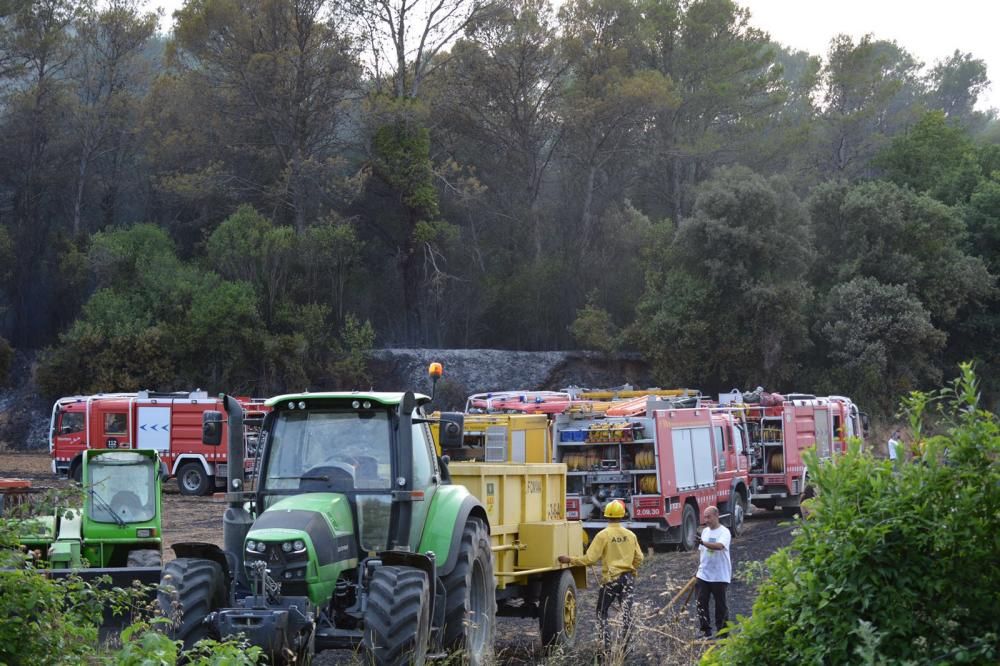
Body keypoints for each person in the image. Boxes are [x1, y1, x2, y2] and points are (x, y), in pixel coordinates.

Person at [557, 499, 643, 652]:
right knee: (627, 615)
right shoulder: (630, 535)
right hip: (628, 578)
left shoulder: (603, 535)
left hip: (611, 580)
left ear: (606, 515)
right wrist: (631, 570)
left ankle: (606, 646)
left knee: (601, 612)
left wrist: (569, 559)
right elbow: (640, 558)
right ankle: (626, 648)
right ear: (622, 515)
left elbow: (589, 559)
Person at [695, 505, 731, 639]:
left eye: (708, 517)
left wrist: (704, 543)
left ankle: (722, 633)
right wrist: (698, 570)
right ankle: (706, 631)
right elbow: (702, 553)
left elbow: (720, 546)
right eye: (705, 517)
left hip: (720, 575)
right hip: (704, 574)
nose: (706, 520)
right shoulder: (704, 532)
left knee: (720, 606)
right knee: (700, 602)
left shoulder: (724, 532)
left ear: (716, 516)